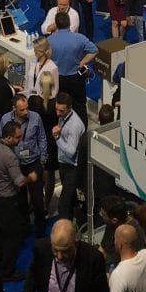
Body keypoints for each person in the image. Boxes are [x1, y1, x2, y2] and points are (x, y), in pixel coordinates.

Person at [14, 217, 109, 292]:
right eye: (55, 250)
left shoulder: (93, 258)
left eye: (65, 251)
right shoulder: (41, 249)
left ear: (75, 243)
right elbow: (33, 275)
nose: (59, 256)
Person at [0, 119, 35, 280]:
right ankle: (7, 270)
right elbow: (19, 182)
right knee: (13, 235)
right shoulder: (9, 156)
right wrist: (31, 178)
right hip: (5, 199)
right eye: (18, 137)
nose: (20, 140)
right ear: (9, 137)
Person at [0, 92, 48, 229]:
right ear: (14, 108)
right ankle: (25, 228)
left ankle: (40, 229)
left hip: (34, 163)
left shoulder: (36, 117)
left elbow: (42, 138)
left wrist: (43, 159)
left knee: (37, 199)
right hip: (16, 166)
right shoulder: (5, 119)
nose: (26, 112)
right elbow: (1, 141)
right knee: (20, 200)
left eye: (27, 108)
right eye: (22, 109)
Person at [46, 15, 96, 122]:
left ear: (56, 25)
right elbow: (94, 50)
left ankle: (60, 126)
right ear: (69, 23)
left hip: (58, 78)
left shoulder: (49, 40)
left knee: (59, 104)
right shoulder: (80, 38)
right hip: (75, 77)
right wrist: (83, 62)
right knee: (79, 104)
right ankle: (82, 127)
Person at [52, 92, 86, 221]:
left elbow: (71, 151)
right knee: (71, 200)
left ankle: (64, 229)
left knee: (63, 204)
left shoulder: (74, 126)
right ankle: (76, 223)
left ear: (70, 107)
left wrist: (57, 138)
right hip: (64, 164)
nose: (58, 113)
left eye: (61, 111)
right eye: (57, 109)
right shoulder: (64, 116)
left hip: (72, 168)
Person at [23, 36, 58, 101]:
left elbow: (54, 89)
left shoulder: (52, 67)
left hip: (42, 101)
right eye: (34, 49)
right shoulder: (32, 61)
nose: (35, 51)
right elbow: (27, 80)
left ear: (44, 50)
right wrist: (24, 94)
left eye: (37, 50)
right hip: (29, 98)